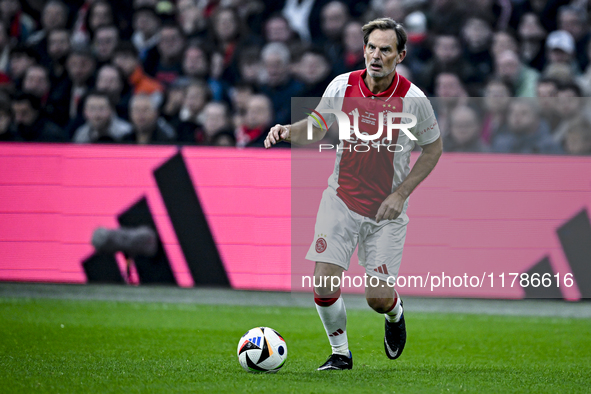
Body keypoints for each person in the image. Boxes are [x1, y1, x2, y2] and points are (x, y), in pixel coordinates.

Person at [264, 18, 442, 370]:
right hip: (341, 200)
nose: (376, 55)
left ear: (400, 55)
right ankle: (340, 354)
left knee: (376, 299)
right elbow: (316, 127)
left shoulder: (414, 99)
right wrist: (287, 131)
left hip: (386, 212)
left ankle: (394, 313)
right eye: (371, 47)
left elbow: (433, 150)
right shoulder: (342, 85)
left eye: (385, 50)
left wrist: (401, 194)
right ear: (363, 50)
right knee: (323, 282)